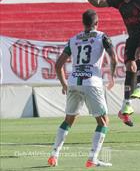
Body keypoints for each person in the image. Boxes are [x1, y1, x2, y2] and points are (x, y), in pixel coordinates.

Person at [47, 9, 117, 167]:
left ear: (83, 23)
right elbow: (114, 58)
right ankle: (93, 158)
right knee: (103, 122)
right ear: (97, 23)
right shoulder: (102, 36)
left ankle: (54, 154)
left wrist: (64, 84)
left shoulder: (73, 39)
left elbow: (58, 65)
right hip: (91, 82)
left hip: (73, 81)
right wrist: (112, 78)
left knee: (68, 120)